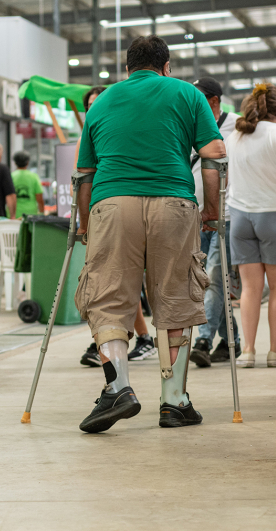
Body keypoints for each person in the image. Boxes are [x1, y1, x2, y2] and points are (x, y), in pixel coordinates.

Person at [74, 35, 225, 433]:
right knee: (175, 295)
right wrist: (213, 210)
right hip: (172, 203)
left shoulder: (102, 101)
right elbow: (213, 156)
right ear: (166, 66)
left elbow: (84, 174)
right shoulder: (187, 95)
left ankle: (119, 387)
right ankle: (174, 401)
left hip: (111, 203)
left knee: (107, 296)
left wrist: (85, 223)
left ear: (128, 68)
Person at [76, 84, 157, 366]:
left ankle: (139, 338)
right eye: (89, 105)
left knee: (120, 282)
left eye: (96, 104)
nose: (92, 109)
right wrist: (82, 222)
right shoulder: (91, 131)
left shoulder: (119, 128)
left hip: (120, 211)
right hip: (101, 212)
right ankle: (113, 340)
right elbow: (81, 176)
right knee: (109, 283)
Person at [225, 83, 276, 369]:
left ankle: (248, 351)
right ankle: (275, 350)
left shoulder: (235, 137)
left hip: (240, 217)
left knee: (249, 289)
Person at [188, 76, 241, 368]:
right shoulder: (190, 126)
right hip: (196, 216)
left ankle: (203, 340)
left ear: (214, 102)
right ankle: (232, 339)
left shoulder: (238, 127)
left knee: (214, 277)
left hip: (227, 215)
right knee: (212, 280)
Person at [11, 151, 44, 218]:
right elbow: (39, 198)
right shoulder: (34, 177)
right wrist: (42, 213)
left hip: (14, 214)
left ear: (14, 163)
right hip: (31, 215)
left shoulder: (11, 176)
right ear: (28, 162)